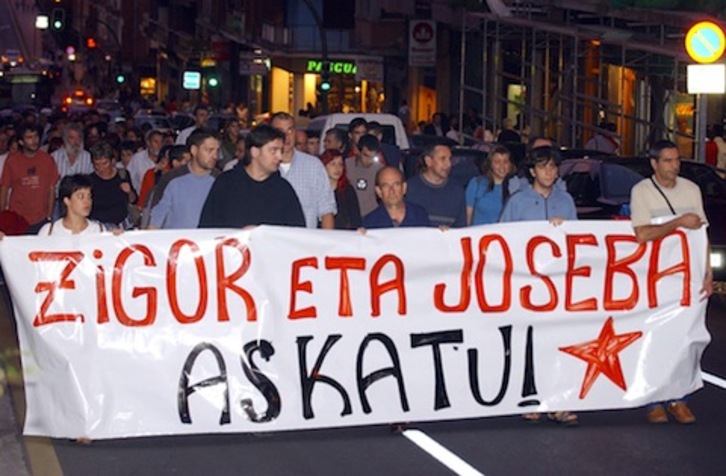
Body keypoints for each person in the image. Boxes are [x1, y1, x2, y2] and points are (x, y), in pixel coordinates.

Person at [630, 140, 712, 425]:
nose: (674, 166)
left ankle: (679, 398)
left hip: (688, 278)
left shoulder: (691, 189)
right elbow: (642, 234)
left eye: (677, 160)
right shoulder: (641, 192)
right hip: (655, 279)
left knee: (684, 339)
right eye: (667, 160)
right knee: (655, 339)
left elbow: (701, 235)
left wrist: (707, 272)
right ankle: (653, 400)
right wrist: (676, 223)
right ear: (654, 164)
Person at [499, 146, 578, 425]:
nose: (549, 172)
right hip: (526, 284)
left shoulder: (566, 200)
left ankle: (557, 401)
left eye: (554, 167)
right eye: (543, 167)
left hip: (557, 285)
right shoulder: (518, 202)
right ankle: (529, 398)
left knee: (556, 342)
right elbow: (502, 242)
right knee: (528, 343)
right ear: (532, 171)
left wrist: (563, 230)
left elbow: (577, 241)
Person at [199, 125, 305, 228]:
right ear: (255, 152)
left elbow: (296, 235)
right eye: (274, 150)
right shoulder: (226, 184)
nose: (279, 157)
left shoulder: (283, 189)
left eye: (280, 151)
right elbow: (207, 229)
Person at [270, 112, 336, 229]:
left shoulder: (313, 165)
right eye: (280, 131)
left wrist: (327, 243)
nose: (286, 136)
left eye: (290, 130)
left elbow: (326, 209)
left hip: (306, 242)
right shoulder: (264, 166)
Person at [149, 130, 220, 229]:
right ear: (194, 150)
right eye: (209, 150)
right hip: (174, 241)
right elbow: (157, 214)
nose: (215, 156)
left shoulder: (220, 180)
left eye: (217, 151)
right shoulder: (172, 178)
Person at [0, 124, 59, 233]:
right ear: (21, 142)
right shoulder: (12, 161)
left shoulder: (47, 160)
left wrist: (49, 216)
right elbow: (4, 188)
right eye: (29, 137)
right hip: (17, 218)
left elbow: (51, 189)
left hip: (41, 218)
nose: (34, 141)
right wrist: (3, 215)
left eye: (35, 136)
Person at [405, 143, 466, 228]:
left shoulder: (457, 191)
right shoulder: (410, 188)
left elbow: (461, 228)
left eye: (450, 159)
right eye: (443, 159)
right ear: (428, 161)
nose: (448, 164)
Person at [88, 141, 137, 229]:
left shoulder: (123, 174)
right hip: (99, 226)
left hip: (122, 224)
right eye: (97, 165)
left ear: (113, 161)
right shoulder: (90, 180)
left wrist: (129, 191)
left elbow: (133, 200)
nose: (101, 168)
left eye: (104, 163)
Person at [362, 167, 430, 228]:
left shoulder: (420, 216)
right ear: (379, 191)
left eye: (396, 185)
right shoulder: (369, 223)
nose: (391, 191)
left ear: (404, 188)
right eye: (385, 186)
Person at [38, 174, 105, 235]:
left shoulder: (98, 230)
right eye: (81, 196)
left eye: (89, 197)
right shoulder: (49, 231)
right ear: (67, 201)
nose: (87, 201)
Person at [465, 145, 516, 225]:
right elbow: (467, 217)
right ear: (490, 164)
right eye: (497, 162)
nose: (502, 166)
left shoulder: (517, 185)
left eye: (505, 162)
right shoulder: (476, 183)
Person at [319, 149, 361, 230]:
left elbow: (355, 219)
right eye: (333, 164)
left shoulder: (348, 190)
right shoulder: (317, 190)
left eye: (340, 164)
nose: (337, 168)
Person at [346, 134, 385, 217]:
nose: (369, 160)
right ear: (357, 151)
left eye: (372, 157)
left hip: (373, 216)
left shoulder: (381, 170)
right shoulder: (346, 166)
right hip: (350, 216)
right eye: (366, 155)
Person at [127, 129, 164, 194]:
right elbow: (129, 178)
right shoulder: (138, 158)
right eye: (156, 142)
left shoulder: (166, 159)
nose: (159, 145)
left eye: (161, 142)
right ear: (148, 142)